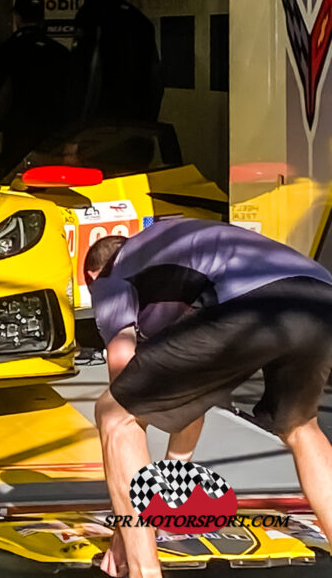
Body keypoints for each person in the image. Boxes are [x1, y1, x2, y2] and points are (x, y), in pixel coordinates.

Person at [85, 219, 332, 578]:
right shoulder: (167, 255)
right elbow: (190, 399)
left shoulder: (111, 275)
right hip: (320, 296)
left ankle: (142, 571)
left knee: (113, 413)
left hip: (250, 300)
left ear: (92, 276)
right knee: (301, 428)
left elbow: (122, 367)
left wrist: (128, 528)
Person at [71, 0, 163, 125]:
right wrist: (146, 124)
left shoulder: (91, 15)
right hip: (137, 130)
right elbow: (156, 81)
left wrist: (76, 132)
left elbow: (87, 75)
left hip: (99, 133)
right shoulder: (140, 20)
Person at [0, 0, 71, 172]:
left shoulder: (8, 49)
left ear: (16, 17)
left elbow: (0, 98)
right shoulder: (59, 52)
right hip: (53, 138)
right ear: (42, 17)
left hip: (18, 137)